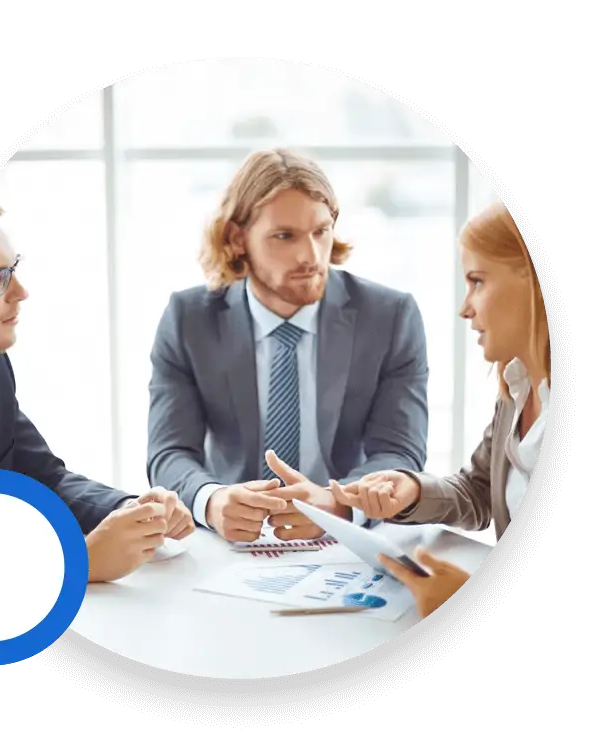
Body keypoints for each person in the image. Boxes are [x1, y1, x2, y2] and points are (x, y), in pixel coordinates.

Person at [146, 148, 430, 543]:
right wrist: (212, 501)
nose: (311, 256)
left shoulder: (390, 317)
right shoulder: (188, 318)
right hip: (231, 540)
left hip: (348, 539)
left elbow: (400, 452)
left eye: (321, 231)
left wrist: (338, 504)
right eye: (285, 236)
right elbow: (169, 452)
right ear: (237, 237)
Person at [298, 199, 549, 618]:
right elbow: (478, 493)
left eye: (478, 281)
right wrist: (410, 491)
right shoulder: (517, 387)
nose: (465, 307)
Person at [0, 195, 195, 583]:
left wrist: (130, 510)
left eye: (14, 269)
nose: (20, 291)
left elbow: (40, 478)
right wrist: (74, 562)